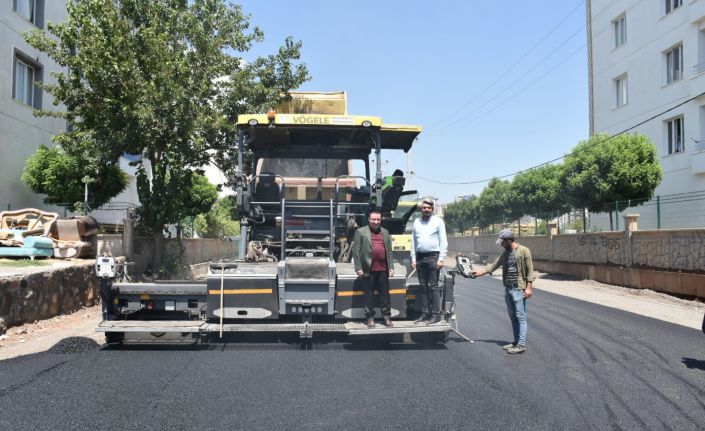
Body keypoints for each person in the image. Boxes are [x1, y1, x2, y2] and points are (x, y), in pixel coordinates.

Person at [472, 228, 535, 354]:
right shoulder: (505, 253)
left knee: (520, 317)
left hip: (519, 288)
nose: (501, 244)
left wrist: (528, 288)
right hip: (508, 289)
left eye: (502, 242)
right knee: (513, 317)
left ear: (509, 240)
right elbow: (493, 265)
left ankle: (521, 344)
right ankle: (516, 341)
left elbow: (530, 271)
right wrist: (479, 273)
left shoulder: (524, 251)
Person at [352, 209, 395, 328]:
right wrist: (358, 267)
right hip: (368, 269)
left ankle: (386, 317)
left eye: (378, 219)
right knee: (368, 295)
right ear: (369, 219)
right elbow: (355, 251)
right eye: (373, 219)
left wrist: (391, 266)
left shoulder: (385, 232)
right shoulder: (360, 232)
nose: (376, 221)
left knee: (385, 295)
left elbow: (389, 251)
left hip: (383, 269)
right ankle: (370, 318)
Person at [410, 197, 448, 325]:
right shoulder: (416, 222)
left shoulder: (438, 221)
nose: (426, 210)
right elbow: (414, 241)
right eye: (424, 208)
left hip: (433, 257)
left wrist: (441, 258)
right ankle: (425, 313)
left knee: (433, 286)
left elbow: (443, 241)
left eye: (428, 208)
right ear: (421, 209)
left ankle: (436, 314)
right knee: (423, 287)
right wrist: (414, 258)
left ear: (432, 209)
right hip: (420, 258)